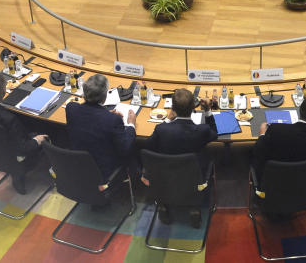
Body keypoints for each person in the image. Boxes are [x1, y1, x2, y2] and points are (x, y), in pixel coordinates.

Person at [146, 88, 217, 226]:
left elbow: (148, 145)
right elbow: (214, 133)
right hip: (193, 177)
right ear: (193, 108)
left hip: (165, 177)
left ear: (173, 108)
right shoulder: (201, 131)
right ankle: (194, 208)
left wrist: (167, 120)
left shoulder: (162, 130)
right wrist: (208, 110)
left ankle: (163, 204)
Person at [66, 74, 136, 179]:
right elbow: (126, 148)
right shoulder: (113, 120)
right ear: (104, 97)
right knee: (134, 156)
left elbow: (89, 118)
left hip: (78, 165)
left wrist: (106, 114)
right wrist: (131, 124)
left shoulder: (71, 108)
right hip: (104, 172)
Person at [253, 96, 306, 187]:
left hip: (274, 185)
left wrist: (262, 134)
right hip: (305, 188)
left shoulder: (276, 130)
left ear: (300, 110)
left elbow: (257, 151)